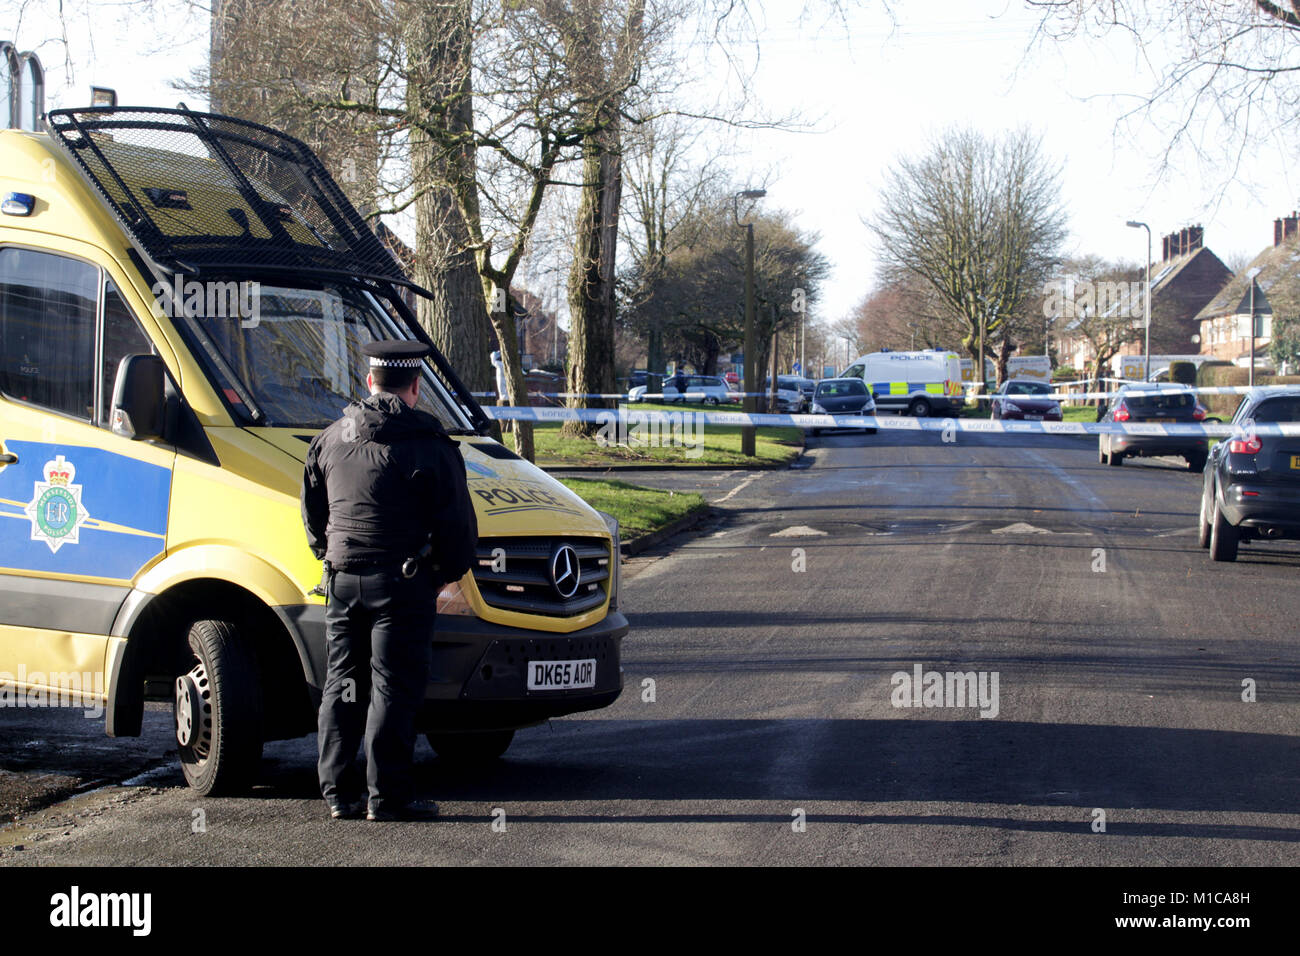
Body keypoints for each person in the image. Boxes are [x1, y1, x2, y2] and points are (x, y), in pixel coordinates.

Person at [301, 340, 477, 822]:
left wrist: (330, 556)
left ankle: (337, 793)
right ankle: (388, 797)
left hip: (341, 579)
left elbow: (314, 516)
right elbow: (459, 530)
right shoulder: (431, 446)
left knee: (342, 682)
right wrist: (438, 575)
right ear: (416, 387)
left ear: (368, 382)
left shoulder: (331, 438)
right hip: (401, 584)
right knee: (392, 687)